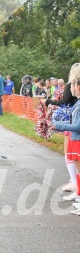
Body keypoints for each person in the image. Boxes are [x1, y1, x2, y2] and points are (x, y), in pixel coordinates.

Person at [53, 77, 80, 214]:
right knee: (78, 171)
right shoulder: (77, 103)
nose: (71, 89)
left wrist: (59, 125)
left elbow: (78, 126)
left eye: (73, 86)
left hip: (78, 139)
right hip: (75, 138)